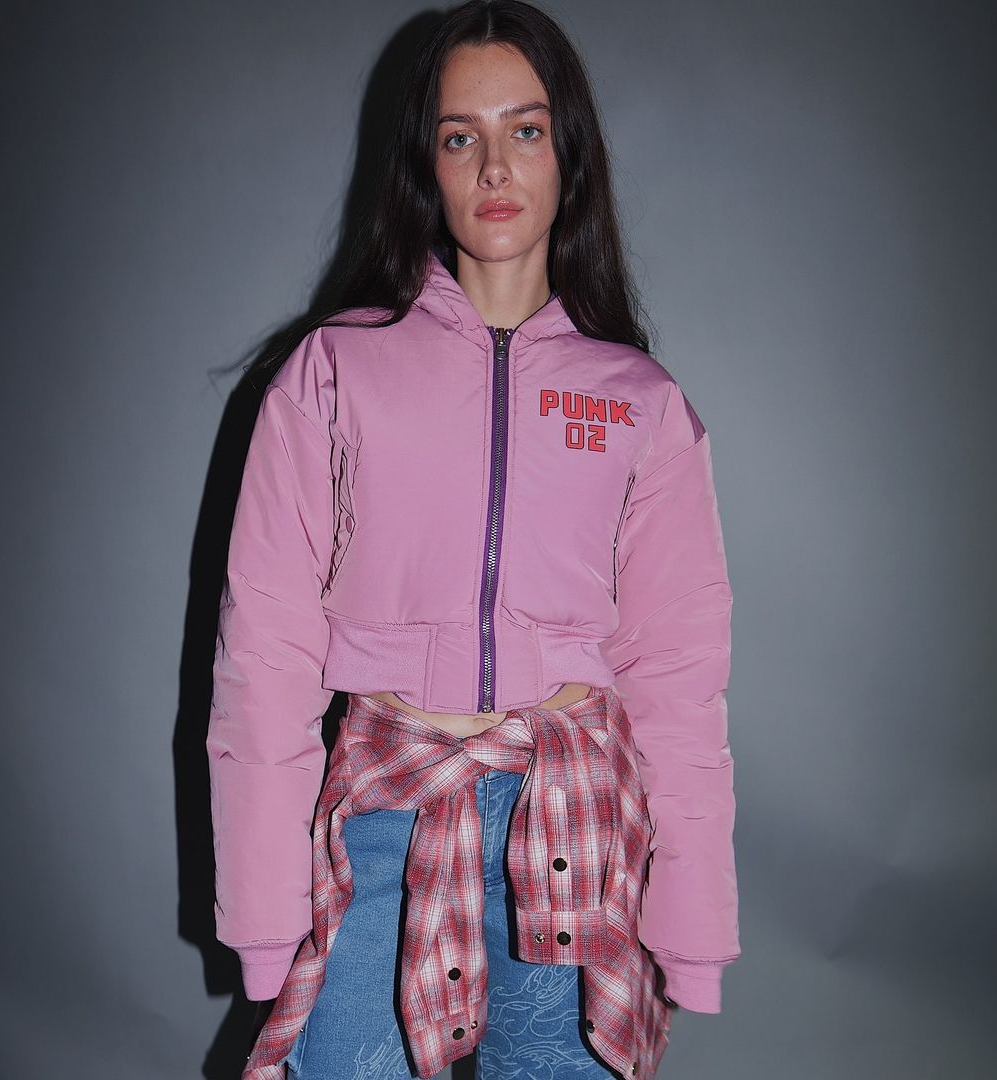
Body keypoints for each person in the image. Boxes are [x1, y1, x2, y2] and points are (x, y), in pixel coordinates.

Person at [206, 2, 740, 1077]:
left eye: (526, 130)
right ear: (428, 165)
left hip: (575, 831)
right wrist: (264, 918)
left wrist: (692, 927)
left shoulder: (641, 403)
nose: (495, 166)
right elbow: (263, 653)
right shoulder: (330, 374)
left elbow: (679, 677)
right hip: (386, 823)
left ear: (568, 156)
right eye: (461, 136)